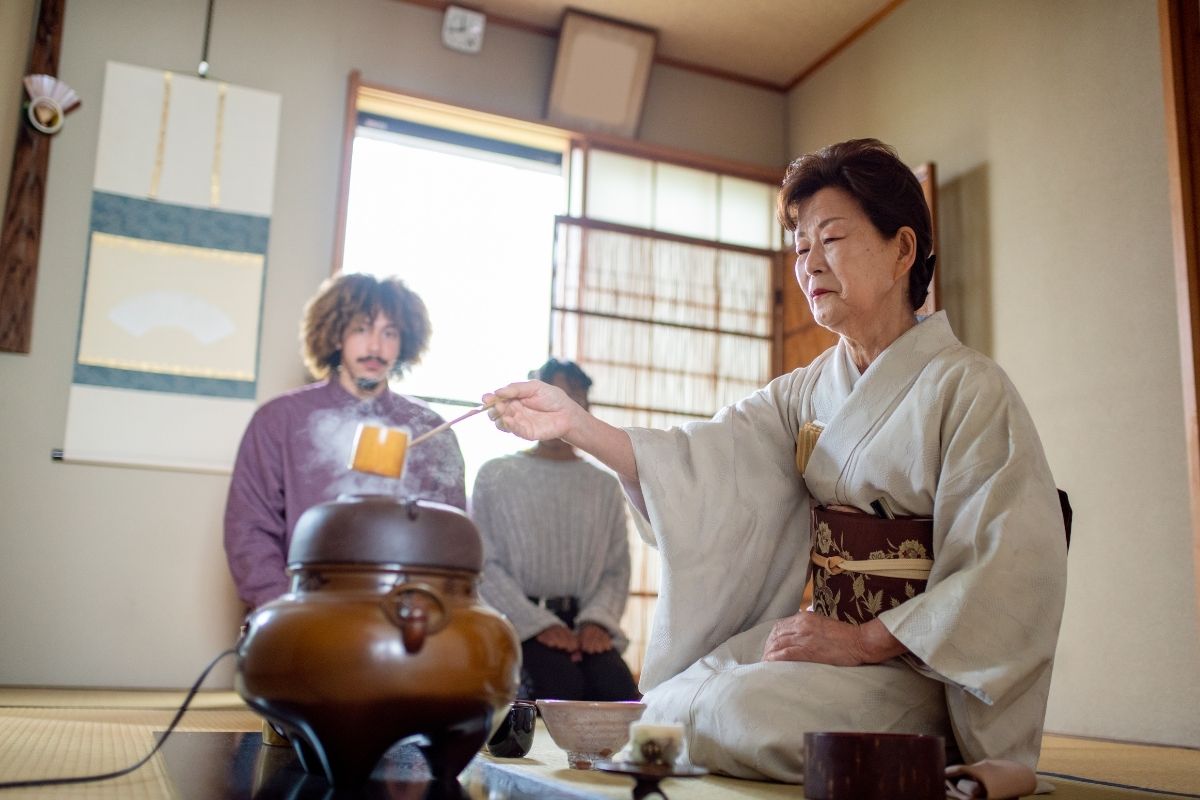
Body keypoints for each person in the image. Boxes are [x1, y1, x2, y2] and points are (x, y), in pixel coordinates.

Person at [482, 139, 1067, 783]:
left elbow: (1007, 568)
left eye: (831, 238)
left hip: (918, 666)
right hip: (822, 646)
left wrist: (865, 641)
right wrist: (577, 425)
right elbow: (706, 462)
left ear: (903, 249)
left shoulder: (970, 390)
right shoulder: (807, 392)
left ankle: (941, 751)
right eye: (799, 249)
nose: (808, 263)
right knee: (669, 699)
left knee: (740, 708)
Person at [224, 273, 467, 610]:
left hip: (406, 619)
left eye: (389, 333)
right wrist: (283, 610)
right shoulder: (279, 420)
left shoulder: (431, 429)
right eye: (361, 329)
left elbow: (450, 537)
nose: (375, 347)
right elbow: (249, 530)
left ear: (405, 342)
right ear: (336, 334)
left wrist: (423, 610)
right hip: (303, 611)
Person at [472, 359, 640, 702]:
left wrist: (597, 622)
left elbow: (616, 568)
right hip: (517, 624)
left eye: (576, 399)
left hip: (586, 625)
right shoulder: (495, 474)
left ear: (586, 409)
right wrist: (538, 624)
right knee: (559, 688)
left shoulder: (604, 485)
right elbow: (484, 566)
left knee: (620, 695)